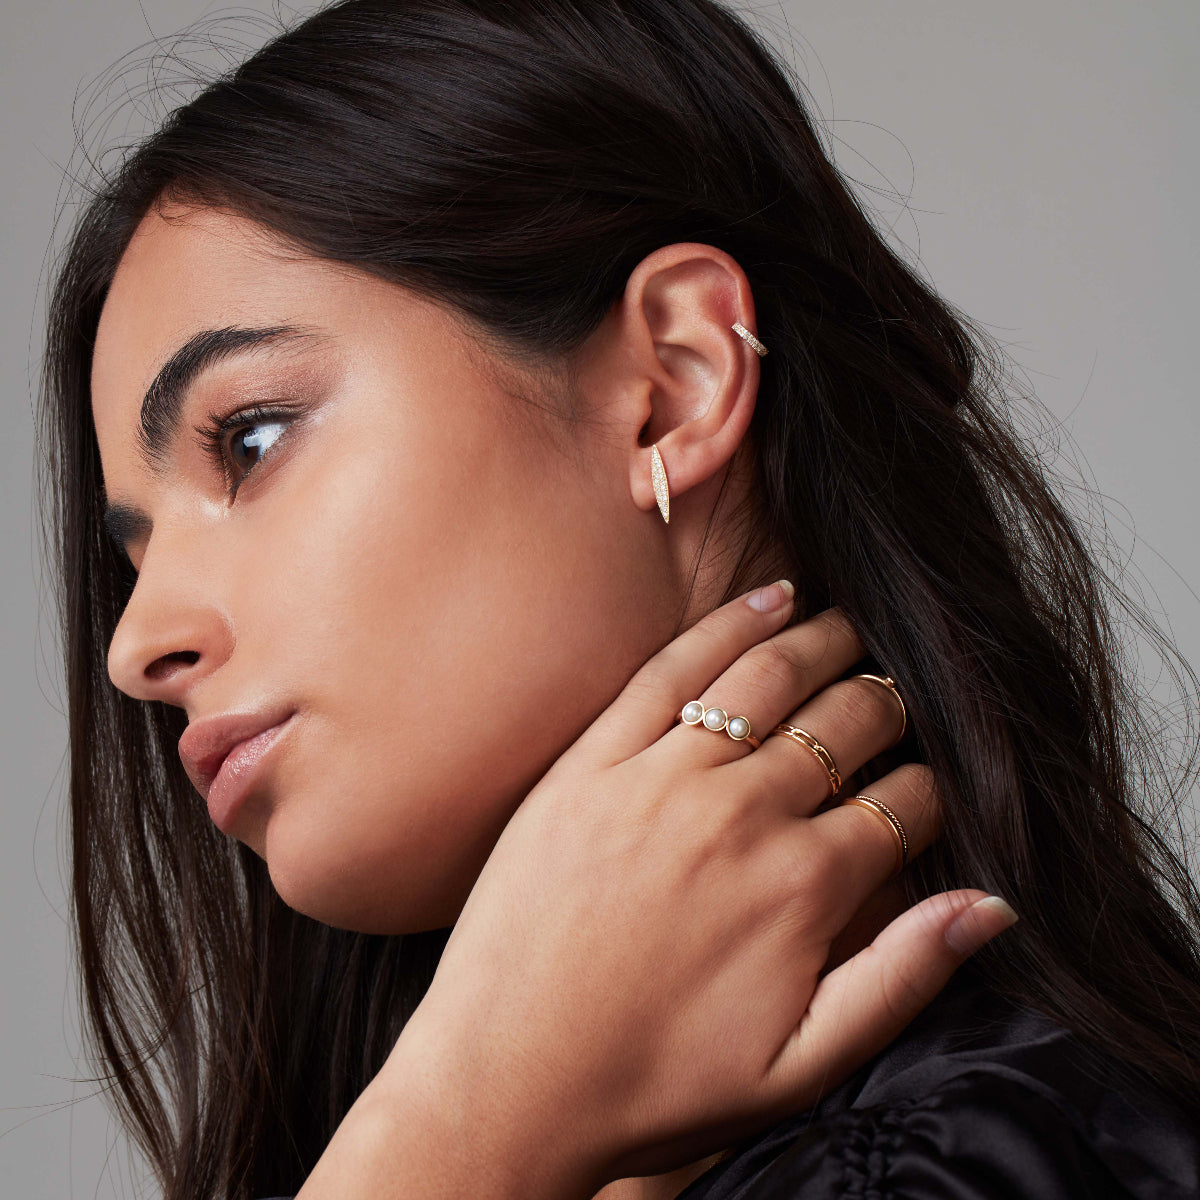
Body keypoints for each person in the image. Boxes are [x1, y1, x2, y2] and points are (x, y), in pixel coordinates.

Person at [38, 1, 1200, 1197]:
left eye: (253, 439)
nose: (136, 646)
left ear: (675, 386)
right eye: (134, 554)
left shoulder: (978, 1169)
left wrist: (456, 1125)